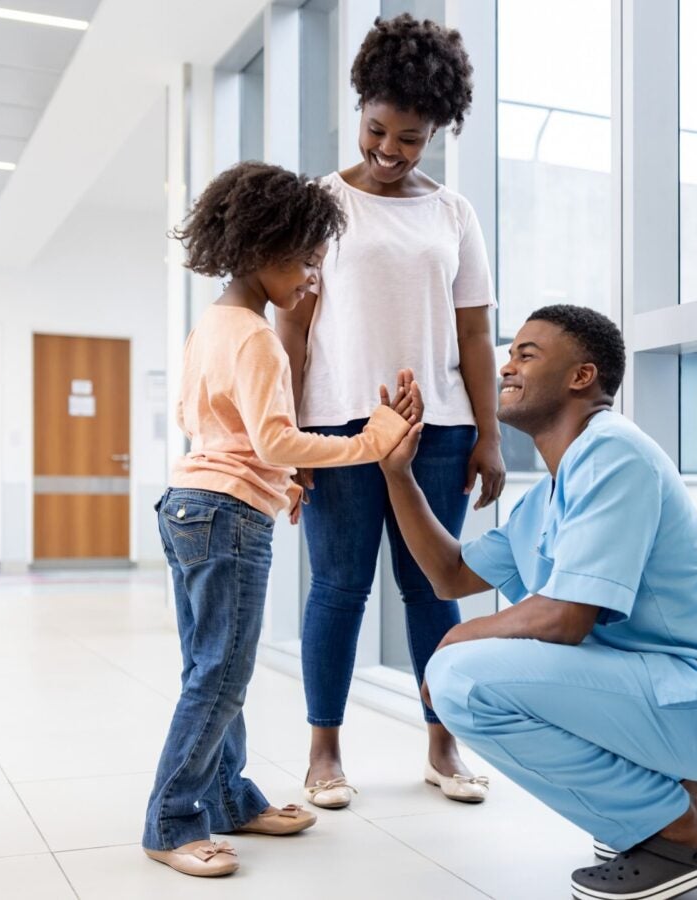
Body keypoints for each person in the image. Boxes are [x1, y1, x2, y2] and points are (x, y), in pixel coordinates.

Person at [377, 305, 697, 899]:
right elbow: (450, 575)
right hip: (678, 696)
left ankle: (680, 829)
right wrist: (398, 474)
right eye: (510, 353)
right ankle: (684, 801)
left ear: (581, 376)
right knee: (466, 666)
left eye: (528, 354)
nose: (506, 366)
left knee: (461, 679)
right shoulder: (551, 492)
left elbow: (565, 617)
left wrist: (456, 637)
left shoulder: (613, 452)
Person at [143, 162, 424, 879]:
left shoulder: (212, 325)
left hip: (188, 505)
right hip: (229, 517)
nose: (311, 279)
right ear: (263, 249)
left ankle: (230, 798)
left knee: (212, 667)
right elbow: (273, 440)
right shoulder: (260, 338)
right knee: (221, 676)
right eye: (304, 261)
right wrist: (369, 441)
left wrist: (271, 479)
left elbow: (193, 419)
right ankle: (172, 821)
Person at [277, 12, 504, 811]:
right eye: (378, 130)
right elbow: (293, 327)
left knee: (429, 588)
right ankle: (323, 752)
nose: (388, 150)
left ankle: (443, 742)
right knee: (338, 587)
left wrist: (489, 436)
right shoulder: (318, 203)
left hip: (438, 427)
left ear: (435, 132)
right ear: (360, 108)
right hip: (338, 427)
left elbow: (476, 331)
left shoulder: (454, 214)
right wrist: (292, 439)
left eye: (410, 138)